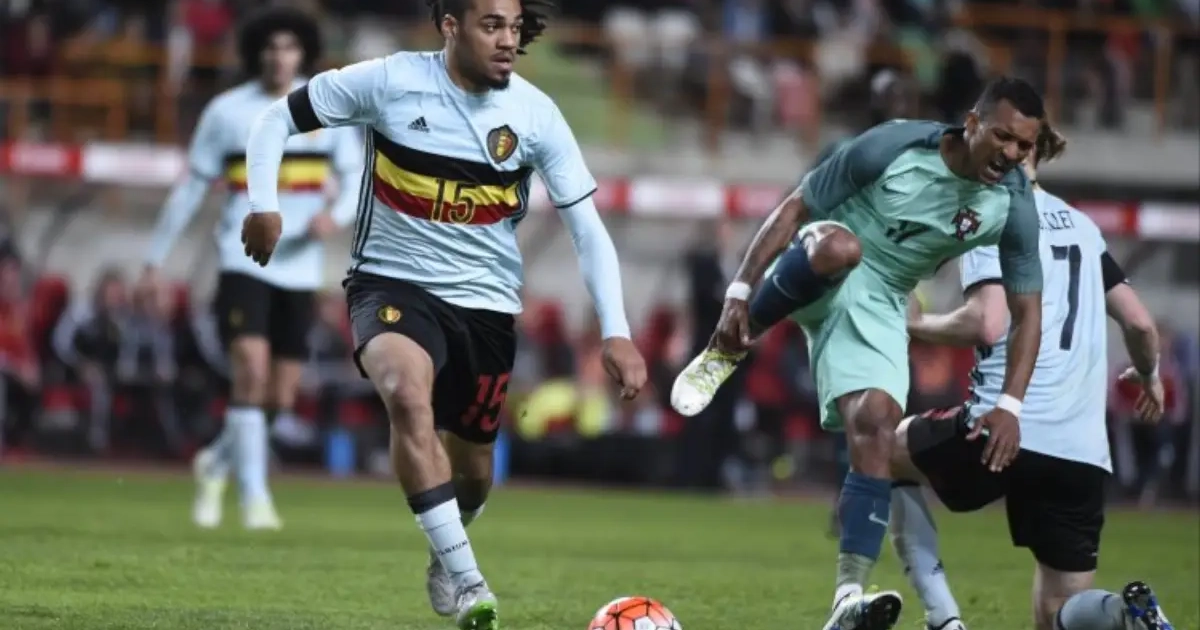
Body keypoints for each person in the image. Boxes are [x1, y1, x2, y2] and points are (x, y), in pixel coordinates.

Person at [239, 0, 647, 627]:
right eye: (492, 25)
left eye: (514, 27)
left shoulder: (536, 115)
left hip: (487, 306)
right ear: (450, 26)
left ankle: (445, 549)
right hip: (390, 284)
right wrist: (263, 203)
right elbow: (275, 119)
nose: (508, 40)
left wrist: (616, 332)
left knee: (474, 474)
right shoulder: (389, 81)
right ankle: (470, 582)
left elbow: (587, 228)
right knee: (407, 397)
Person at [671, 77, 1048, 630]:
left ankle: (846, 598)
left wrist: (1010, 406)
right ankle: (727, 348)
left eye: (1024, 145)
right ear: (972, 124)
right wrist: (738, 291)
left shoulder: (1012, 205)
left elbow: (1028, 312)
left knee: (878, 424)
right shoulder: (892, 146)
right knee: (841, 247)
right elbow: (795, 207)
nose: (1011, 154)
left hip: (882, 302)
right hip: (821, 255)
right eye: (1003, 137)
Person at [894, 125, 1174, 630]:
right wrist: (1149, 373)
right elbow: (1139, 324)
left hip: (1004, 427)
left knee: (881, 450)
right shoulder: (1084, 230)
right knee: (1056, 612)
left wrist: (916, 324)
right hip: (1081, 450)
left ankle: (943, 618)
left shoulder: (993, 212)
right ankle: (1122, 612)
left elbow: (988, 321)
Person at [142, 7, 364, 530]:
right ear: (255, 54)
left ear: (303, 53)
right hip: (241, 259)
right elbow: (190, 189)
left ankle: (216, 461)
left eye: (289, 47)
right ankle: (254, 497)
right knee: (251, 370)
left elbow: (358, 177)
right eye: (270, 47)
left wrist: (336, 216)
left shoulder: (325, 108)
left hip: (300, 267)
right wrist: (154, 261)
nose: (279, 57)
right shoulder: (226, 112)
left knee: (280, 395)